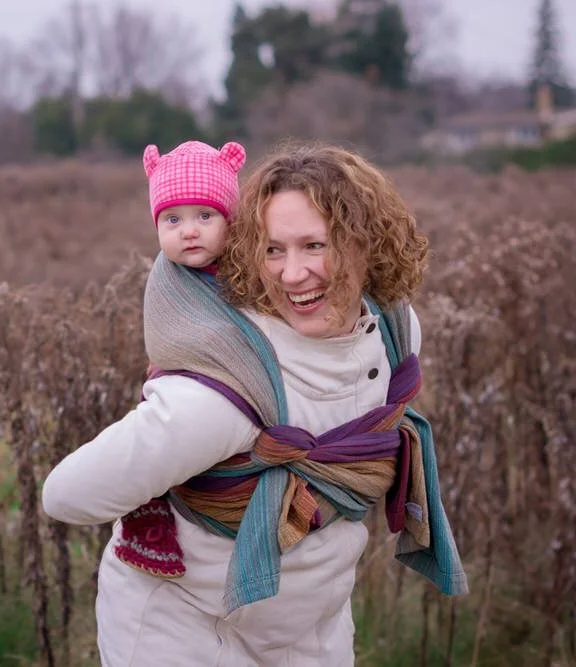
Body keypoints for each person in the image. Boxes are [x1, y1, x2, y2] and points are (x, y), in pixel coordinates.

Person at [42, 142, 468, 666]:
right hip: (181, 631)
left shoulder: (396, 333)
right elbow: (66, 495)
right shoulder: (221, 394)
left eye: (316, 245)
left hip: (312, 629)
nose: (292, 274)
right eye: (272, 249)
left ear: (368, 245)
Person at [113, 139, 248, 579]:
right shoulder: (168, 280)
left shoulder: (249, 270)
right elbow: (167, 337)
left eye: (205, 217)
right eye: (173, 220)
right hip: (177, 375)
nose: (188, 231)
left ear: (231, 218)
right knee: (158, 424)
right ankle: (152, 516)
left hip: (240, 386)